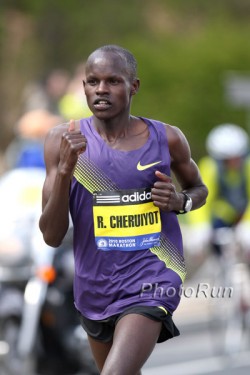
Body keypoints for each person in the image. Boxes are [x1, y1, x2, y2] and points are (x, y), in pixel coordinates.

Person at [39, 44, 208, 375]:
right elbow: (52, 234)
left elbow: (198, 189)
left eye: (113, 81)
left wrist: (179, 201)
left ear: (133, 86)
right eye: (92, 81)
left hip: (153, 277)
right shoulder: (62, 140)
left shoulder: (167, 138)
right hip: (94, 286)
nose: (101, 89)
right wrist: (64, 171)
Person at [185, 123, 250, 260]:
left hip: (244, 215)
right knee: (214, 250)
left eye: (238, 157)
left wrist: (247, 222)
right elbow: (201, 198)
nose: (234, 162)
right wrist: (200, 225)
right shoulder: (210, 168)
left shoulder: (248, 167)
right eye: (228, 160)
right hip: (221, 218)